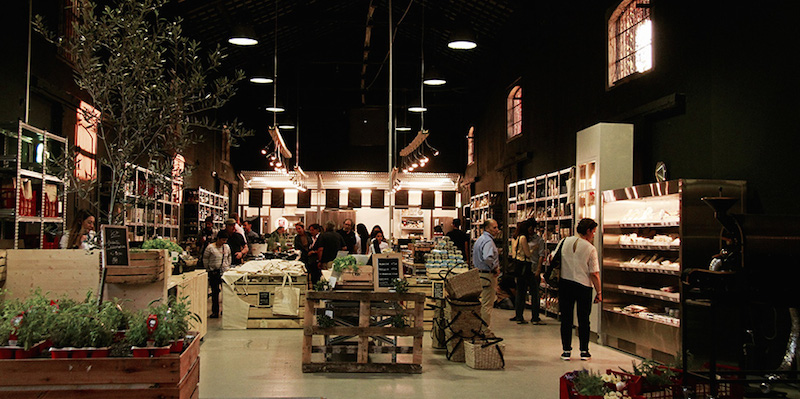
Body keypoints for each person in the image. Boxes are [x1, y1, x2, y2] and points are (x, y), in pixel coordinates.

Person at [558, 218, 602, 361]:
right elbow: (594, 273)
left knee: (566, 319)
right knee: (584, 319)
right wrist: (599, 292)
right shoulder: (590, 248)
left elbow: (553, 257)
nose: (594, 235)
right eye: (593, 232)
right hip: (583, 286)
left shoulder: (564, 241)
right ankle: (584, 351)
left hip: (565, 283)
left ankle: (566, 351)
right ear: (588, 231)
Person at [509, 219, 546, 324]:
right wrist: (533, 249)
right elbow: (528, 254)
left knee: (534, 293)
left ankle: (534, 316)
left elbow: (541, 255)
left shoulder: (538, 240)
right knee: (521, 292)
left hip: (532, 268)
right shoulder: (523, 238)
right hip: (525, 267)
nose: (530, 230)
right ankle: (519, 315)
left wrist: (538, 269)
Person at [472, 218, 500, 331]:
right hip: (487, 275)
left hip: (479, 274)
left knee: (482, 302)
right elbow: (487, 257)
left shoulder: (480, 239)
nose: (497, 230)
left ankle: (479, 327)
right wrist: (494, 267)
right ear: (487, 228)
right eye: (494, 227)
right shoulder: (488, 241)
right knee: (487, 304)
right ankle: (483, 330)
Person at [203, 230, 231, 318]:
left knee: (226, 292)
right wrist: (208, 269)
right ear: (218, 239)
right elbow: (205, 259)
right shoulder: (210, 248)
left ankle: (225, 310)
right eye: (223, 240)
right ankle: (215, 311)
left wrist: (227, 266)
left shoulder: (226, 247)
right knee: (215, 293)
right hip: (214, 272)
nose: (224, 242)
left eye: (225, 240)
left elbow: (229, 257)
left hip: (224, 272)